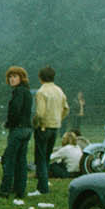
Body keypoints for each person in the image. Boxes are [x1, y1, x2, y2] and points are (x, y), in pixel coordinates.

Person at [0, 66, 32, 200]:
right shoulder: (27, 91)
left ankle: (5, 189)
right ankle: (20, 190)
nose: (12, 79)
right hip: (27, 128)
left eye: (15, 76)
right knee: (21, 160)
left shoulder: (18, 92)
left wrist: (9, 123)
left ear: (21, 78)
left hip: (18, 129)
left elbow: (16, 110)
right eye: (10, 77)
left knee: (9, 159)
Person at [32, 66, 69, 196]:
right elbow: (66, 108)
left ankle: (42, 188)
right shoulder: (59, 90)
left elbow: (40, 113)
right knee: (47, 157)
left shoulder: (41, 92)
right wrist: (58, 119)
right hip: (55, 127)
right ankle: (44, 182)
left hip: (43, 127)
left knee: (40, 158)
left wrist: (35, 123)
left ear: (40, 78)